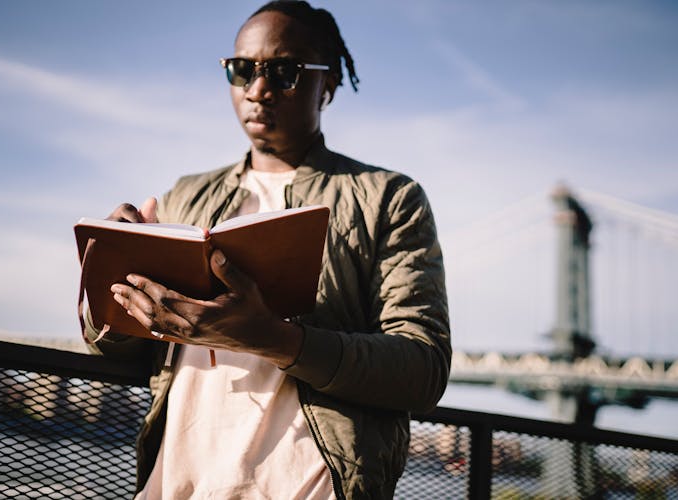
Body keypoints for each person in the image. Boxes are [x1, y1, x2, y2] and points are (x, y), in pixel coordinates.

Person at [85, 1, 451, 498]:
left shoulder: (388, 198)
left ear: (331, 83)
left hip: (311, 487)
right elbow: (120, 349)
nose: (258, 90)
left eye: (284, 72)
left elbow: (423, 369)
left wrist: (275, 340)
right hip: (176, 482)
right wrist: (109, 278)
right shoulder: (184, 196)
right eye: (242, 70)